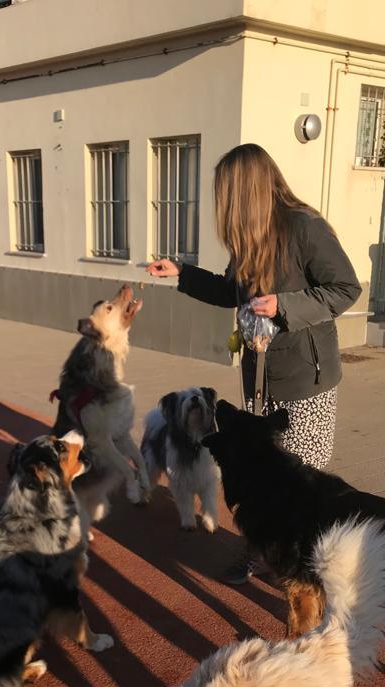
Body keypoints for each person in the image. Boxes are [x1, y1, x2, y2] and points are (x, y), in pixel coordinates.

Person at [147, 143, 361, 584]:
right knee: (263, 475)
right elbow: (232, 292)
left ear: (245, 191)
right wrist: (182, 273)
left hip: (305, 379)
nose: (221, 206)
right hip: (261, 377)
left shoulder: (305, 228)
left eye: (226, 194)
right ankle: (263, 550)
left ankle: (308, 568)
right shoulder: (251, 240)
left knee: (301, 483)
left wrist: (284, 304)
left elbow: (345, 288)